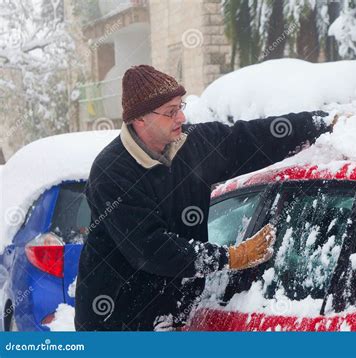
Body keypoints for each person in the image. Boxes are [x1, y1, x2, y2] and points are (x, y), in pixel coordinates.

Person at [74, 64, 337, 331]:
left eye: (181, 106)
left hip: (168, 316)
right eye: (170, 112)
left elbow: (249, 139)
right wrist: (231, 257)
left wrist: (319, 123)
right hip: (115, 319)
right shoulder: (112, 171)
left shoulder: (191, 145)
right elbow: (150, 249)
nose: (181, 117)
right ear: (140, 119)